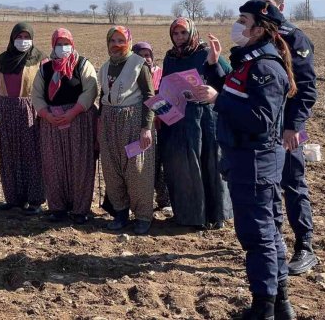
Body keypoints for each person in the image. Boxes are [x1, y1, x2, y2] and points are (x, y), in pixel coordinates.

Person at [192, 0, 297, 319]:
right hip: (249, 160)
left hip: (255, 162)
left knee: (258, 236)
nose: (236, 24)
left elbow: (260, 119)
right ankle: (280, 305)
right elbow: (235, 92)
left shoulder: (265, 66)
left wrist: (217, 100)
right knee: (268, 232)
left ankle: (263, 307)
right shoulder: (250, 62)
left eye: (242, 20)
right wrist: (213, 65)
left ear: (259, 29)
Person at [254, 0, 318, 275]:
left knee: (294, 183)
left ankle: (305, 247)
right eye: (261, 5)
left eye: (270, 4)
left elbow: (306, 90)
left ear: (282, 5)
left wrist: (295, 126)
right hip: (265, 126)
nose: (266, 10)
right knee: (268, 185)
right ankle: (275, 240)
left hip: (292, 127)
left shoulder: (295, 38)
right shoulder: (257, 39)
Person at [158, 18, 233, 229]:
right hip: (179, 118)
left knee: (210, 163)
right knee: (184, 168)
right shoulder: (170, 57)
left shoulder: (203, 52)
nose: (180, 37)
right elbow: (165, 83)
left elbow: (227, 78)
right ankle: (191, 216)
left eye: (183, 33)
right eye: (176, 33)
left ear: (192, 33)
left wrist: (215, 63)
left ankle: (216, 215)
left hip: (205, 117)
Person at [31, 28, 98, 224]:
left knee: (80, 164)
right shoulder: (45, 69)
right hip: (51, 122)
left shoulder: (83, 64)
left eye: (66, 43)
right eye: (58, 44)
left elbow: (90, 89)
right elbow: (36, 95)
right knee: (54, 165)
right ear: (53, 46)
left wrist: (73, 111)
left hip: (79, 119)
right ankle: (58, 208)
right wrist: (45, 114)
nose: (63, 48)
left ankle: (80, 209)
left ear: (73, 44)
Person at [0, 22, 45, 214]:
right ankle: (13, 199)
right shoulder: (3, 60)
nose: (23, 41)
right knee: (9, 154)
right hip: (7, 110)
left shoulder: (40, 59)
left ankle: (35, 201)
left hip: (30, 109)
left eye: (27, 37)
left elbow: (47, 87)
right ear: (12, 38)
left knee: (32, 155)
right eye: (19, 37)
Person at [98, 26, 155, 235]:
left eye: (121, 40)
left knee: (137, 171)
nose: (116, 44)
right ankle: (120, 213)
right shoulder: (104, 67)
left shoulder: (139, 65)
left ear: (128, 42)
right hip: (109, 123)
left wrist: (146, 128)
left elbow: (150, 97)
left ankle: (142, 216)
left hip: (133, 123)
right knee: (112, 170)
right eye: (113, 40)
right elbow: (103, 96)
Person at [131, 41, 169, 211]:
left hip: (160, 126)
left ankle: (164, 201)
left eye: (147, 55)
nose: (145, 59)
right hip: (137, 127)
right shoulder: (130, 77)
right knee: (141, 166)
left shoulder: (161, 74)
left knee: (160, 165)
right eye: (140, 56)